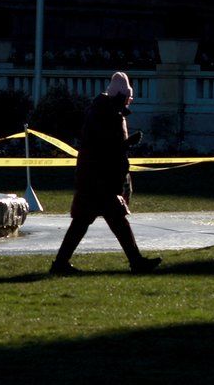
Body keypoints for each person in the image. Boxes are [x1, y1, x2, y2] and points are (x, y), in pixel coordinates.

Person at [49, 71, 162, 275]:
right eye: (127, 97)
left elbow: (106, 146)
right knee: (106, 221)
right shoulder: (104, 114)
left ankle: (61, 263)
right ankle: (135, 261)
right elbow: (104, 147)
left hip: (97, 178)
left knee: (98, 221)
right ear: (120, 96)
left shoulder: (104, 111)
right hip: (98, 179)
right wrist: (127, 144)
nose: (129, 102)